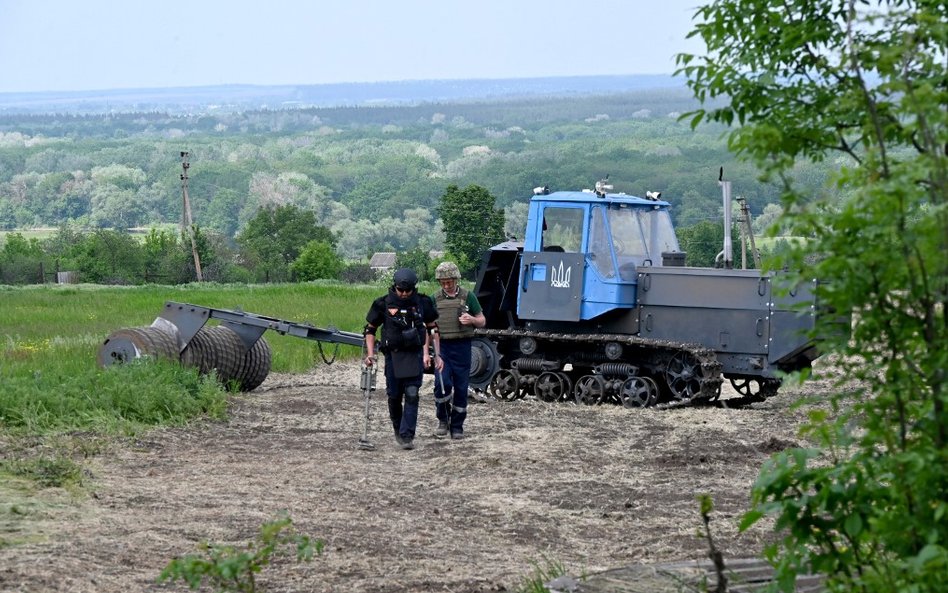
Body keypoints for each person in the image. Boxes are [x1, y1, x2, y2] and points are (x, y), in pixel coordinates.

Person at [364, 268, 442, 450]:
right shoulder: (382, 303)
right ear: (395, 287)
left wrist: (436, 354)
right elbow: (370, 330)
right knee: (394, 396)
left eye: (408, 291)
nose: (404, 294)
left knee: (413, 394)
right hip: (393, 356)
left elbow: (433, 328)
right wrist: (370, 354)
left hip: (414, 355)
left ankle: (407, 436)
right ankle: (398, 429)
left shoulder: (423, 302)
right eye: (401, 290)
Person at [430, 261, 486, 440]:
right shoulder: (434, 299)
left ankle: (457, 426)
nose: (446, 285)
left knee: (461, 388)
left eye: (450, 282)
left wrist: (472, 320)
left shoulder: (468, 297)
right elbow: (428, 326)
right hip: (443, 347)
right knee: (442, 384)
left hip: (462, 347)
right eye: (443, 282)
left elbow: (482, 320)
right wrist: (433, 352)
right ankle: (442, 420)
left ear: (456, 279)